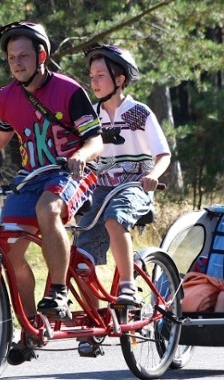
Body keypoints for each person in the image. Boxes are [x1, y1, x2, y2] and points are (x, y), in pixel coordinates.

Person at [0, 21, 103, 364]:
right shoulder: (8, 97)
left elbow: (95, 140)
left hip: (72, 172)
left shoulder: (69, 91)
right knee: (7, 246)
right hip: (30, 176)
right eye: (12, 57)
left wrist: (79, 156)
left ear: (41, 55)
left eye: (24, 55)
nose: (17, 62)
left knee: (48, 209)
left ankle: (58, 293)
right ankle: (29, 327)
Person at [76, 44, 172, 308]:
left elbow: (163, 154)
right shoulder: (91, 116)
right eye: (91, 76)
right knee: (80, 248)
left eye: (100, 76)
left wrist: (152, 175)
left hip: (134, 186)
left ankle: (128, 286)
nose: (93, 82)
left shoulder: (139, 113)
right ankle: (92, 319)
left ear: (119, 80)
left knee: (115, 217)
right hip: (100, 189)